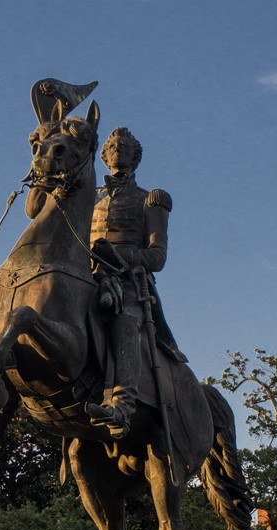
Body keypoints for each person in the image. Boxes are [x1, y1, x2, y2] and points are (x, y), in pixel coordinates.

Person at [86, 127, 185, 439]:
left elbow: (157, 257)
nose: (118, 151)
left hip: (128, 280)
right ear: (103, 155)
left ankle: (122, 404)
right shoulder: (88, 197)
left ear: (135, 156)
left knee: (126, 321)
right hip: (87, 273)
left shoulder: (150, 200)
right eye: (113, 146)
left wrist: (116, 254)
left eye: (125, 147)